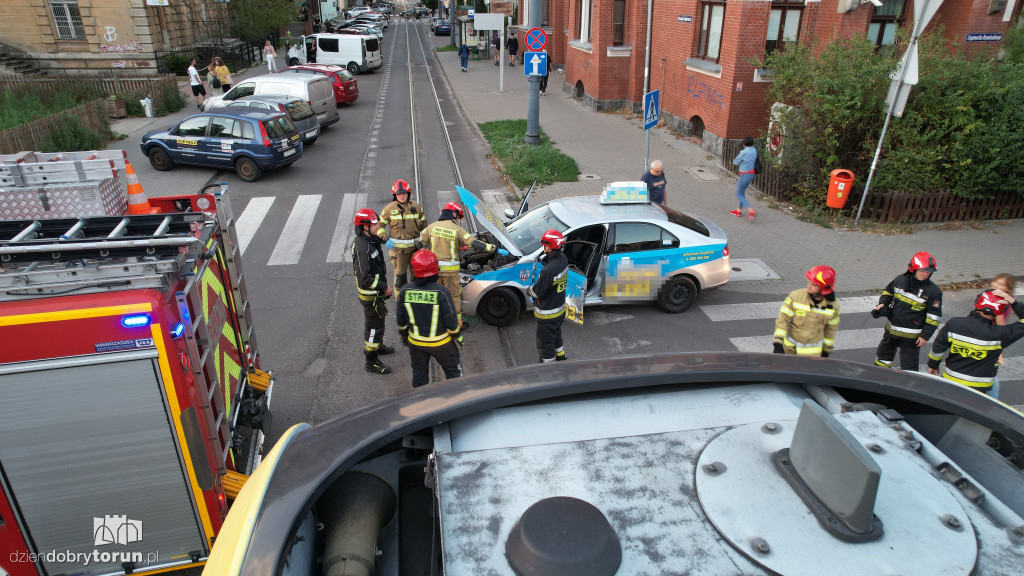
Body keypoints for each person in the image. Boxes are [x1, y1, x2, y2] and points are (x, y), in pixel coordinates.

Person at [419, 202, 502, 330]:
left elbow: (420, 245)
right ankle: (456, 325)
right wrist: (493, 248)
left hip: (434, 271)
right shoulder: (457, 230)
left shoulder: (431, 227)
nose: (458, 220)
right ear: (454, 213)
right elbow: (474, 243)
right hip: (450, 273)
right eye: (458, 217)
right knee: (454, 297)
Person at [927, 289, 1024, 396]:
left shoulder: (954, 323)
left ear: (978, 302)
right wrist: (1013, 302)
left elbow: (937, 349)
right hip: (979, 389)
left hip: (950, 381)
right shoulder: (1000, 334)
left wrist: (933, 365)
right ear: (1001, 310)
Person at [396, 250, 464, 388]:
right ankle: (457, 400)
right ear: (435, 271)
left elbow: (401, 321)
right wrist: (457, 335)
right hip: (442, 344)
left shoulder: (405, 290)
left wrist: (404, 336)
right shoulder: (441, 292)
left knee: (419, 376)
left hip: (416, 343)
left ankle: (420, 404)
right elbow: (451, 322)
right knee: (455, 375)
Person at [872, 252, 943, 372]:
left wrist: (925, 336)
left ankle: (908, 388)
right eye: (922, 270)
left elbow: (934, 318)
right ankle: (879, 378)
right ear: (913, 268)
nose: (925, 274)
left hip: (911, 338)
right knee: (882, 359)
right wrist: (882, 303)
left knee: (909, 368)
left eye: (928, 272)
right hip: (891, 332)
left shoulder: (933, 292)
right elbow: (888, 292)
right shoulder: (900, 280)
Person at [352, 208, 395, 374]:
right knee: (373, 328)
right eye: (374, 224)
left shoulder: (368, 240)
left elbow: (376, 243)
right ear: (364, 227)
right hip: (371, 296)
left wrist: (382, 240)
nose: (378, 226)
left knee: (379, 323)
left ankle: (378, 346)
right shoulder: (363, 248)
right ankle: (371, 361)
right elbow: (365, 278)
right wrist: (385, 287)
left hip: (375, 294)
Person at [773, 265, 840, 356]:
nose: (808, 286)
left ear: (823, 288)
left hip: (812, 355)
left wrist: (826, 350)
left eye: (814, 285)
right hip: (789, 350)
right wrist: (778, 343)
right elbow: (783, 320)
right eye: (809, 282)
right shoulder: (795, 296)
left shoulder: (833, 306)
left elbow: (831, 328)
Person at [377, 179, 426, 295]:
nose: (402, 196)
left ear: (408, 194)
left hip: (415, 250)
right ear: (395, 195)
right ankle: (400, 300)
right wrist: (385, 239)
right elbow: (379, 226)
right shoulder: (389, 209)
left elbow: (425, 227)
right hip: (399, 252)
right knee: (400, 278)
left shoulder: (416, 207)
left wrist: (425, 243)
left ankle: (416, 299)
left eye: (404, 193)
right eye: (399, 194)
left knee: (418, 277)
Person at [529, 230, 569, 363]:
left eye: (545, 246)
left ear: (550, 246)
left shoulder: (548, 270)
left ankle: (549, 371)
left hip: (547, 315)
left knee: (545, 345)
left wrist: (529, 290)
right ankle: (561, 358)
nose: (544, 248)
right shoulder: (563, 259)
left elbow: (536, 293)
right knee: (556, 336)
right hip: (559, 310)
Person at [988, 273, 1016, 397]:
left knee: (989, 372)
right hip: (985, 336)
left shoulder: (1002, 303)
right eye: (995, 281)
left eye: (1000, 284)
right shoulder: (992, 297)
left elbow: (1001, 328)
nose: (995, 285)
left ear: (1007, 290)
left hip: (990, 340)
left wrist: (999, 352)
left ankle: (992, 400)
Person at [731, 136, 757, 221]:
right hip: (751, 174)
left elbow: (736, 162)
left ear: (744, 143)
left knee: (738, 194)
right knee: (742, 192)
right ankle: (738, 210)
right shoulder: (754, 150)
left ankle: (750, 209)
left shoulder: (744, 152)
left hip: (744, 175)